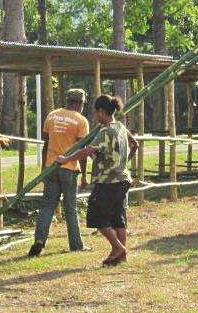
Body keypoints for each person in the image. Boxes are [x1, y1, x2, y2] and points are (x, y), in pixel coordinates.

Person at [57, 94, 138, 267]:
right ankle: (120, 256)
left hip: (108, 181)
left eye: (96, 113)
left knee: (96, 216)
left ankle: (119, 248)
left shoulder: (105, 132)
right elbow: (135, 144)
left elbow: (87, 151)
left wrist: (66, 159)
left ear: (101, 111)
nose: (95, 116)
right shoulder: (120, 126)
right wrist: (122, 163)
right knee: (117, 217)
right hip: (123, 179)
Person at [29, 88, 91, 257]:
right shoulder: (81, 121)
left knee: (47, 205)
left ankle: (39, 239)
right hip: (69, 168)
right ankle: (76, 245)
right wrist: (84, 175)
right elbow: (82, 150)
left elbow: (46, 144)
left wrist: (44, 168)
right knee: (70, 208)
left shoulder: (52, 116)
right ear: (80, 103)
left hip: (51, 167)